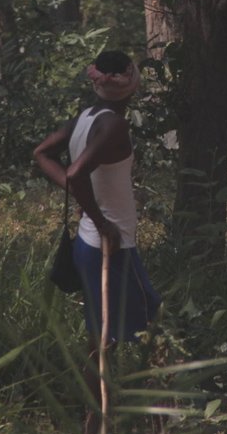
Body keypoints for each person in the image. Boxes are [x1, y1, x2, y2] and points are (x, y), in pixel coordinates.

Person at [33, 50, 161, 349]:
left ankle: (95, 397)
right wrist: (102, 222)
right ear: (131, 81)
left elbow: (42, 154)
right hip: (111, 245)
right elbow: (77, 174)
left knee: (103, 339)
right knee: (157, 324)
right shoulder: (113, 125)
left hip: (90, 244)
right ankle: (163, 396)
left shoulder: (85, 118)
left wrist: (82, 196)